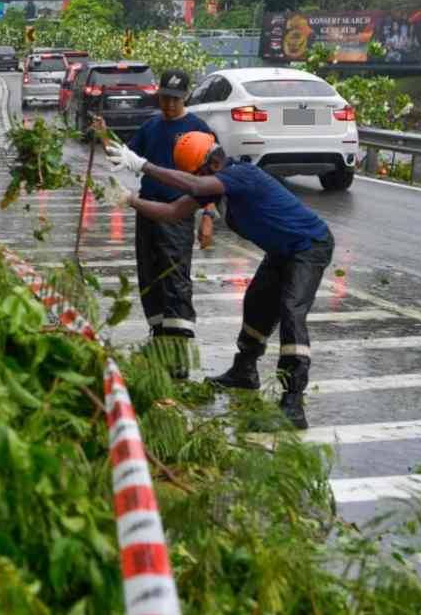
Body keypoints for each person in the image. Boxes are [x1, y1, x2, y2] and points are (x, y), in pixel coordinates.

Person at [103, 132, 335, 429]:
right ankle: (245, 371)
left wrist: (143, 165)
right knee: (256, 305)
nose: (194, 179)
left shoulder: (242, 174)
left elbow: (196, 186)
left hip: (309, 246)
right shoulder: (214, 187)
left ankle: (293, 402)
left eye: (196, 172)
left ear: (211, 163)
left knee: (291, 311)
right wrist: (130, 200)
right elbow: (173, 212)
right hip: (281, 251)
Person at [94, 70, 217, 378]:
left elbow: (210, 181)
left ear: (185, 97)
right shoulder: (151, 126)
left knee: (174, 281)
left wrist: (207, 217)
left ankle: (178, 357)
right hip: (148, 212)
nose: (169, 104)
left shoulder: (198, 130)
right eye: (164, 98)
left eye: (175, 99)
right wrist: (104, 135)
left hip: (177, 215)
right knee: (150, 278)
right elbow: (124, 157)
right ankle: (160, 342)